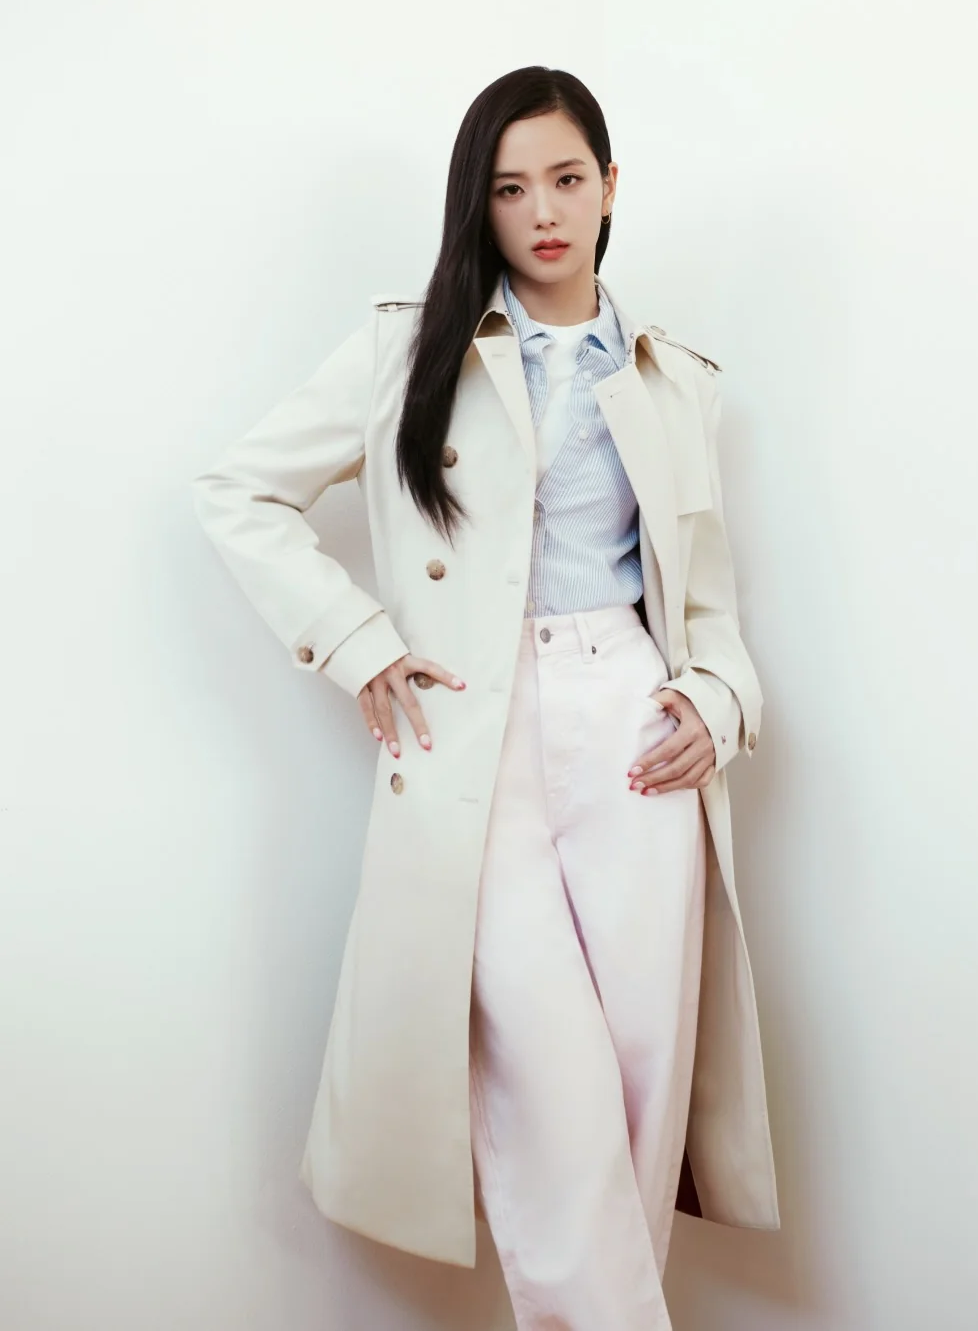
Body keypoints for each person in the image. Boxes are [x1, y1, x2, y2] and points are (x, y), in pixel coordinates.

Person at [191, 64, 779, 1331]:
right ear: (480, 203)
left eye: (567, 180)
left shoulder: (676, 379)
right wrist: (359, 640)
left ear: (610, 186)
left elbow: (712, 610)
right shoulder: (409, 347)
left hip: (632, 728)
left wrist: (715, 703)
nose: (544, 212)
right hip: (474, 732)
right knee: (555, 1095)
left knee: (640, 1090)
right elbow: (237, 491)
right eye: (511, 189)